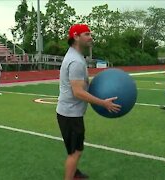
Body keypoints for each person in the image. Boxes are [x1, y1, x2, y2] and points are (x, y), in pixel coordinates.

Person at [56, 24, 121, 180]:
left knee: (73, 149)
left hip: (69, 112)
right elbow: (78, 92)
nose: (91, 37)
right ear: (76, 37)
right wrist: (103, 103)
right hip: (71, 115)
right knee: (75, 152)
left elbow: (81, 85)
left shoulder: (75, 56)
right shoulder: (76, 61)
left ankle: (75, 173)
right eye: (87, 34)